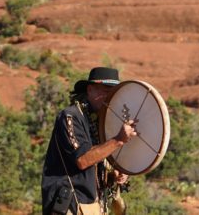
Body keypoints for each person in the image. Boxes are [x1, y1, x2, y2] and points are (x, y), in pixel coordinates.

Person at [41, 67, 137, 215]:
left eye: (113, 93)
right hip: (70, 204)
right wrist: (118, 140)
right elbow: (83, 159)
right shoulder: (71, 116)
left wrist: (114, 175)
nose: (109, 97)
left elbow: (96, 163)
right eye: (105, 91)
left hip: (91, 205)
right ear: (90, 90)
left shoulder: (100, 122)